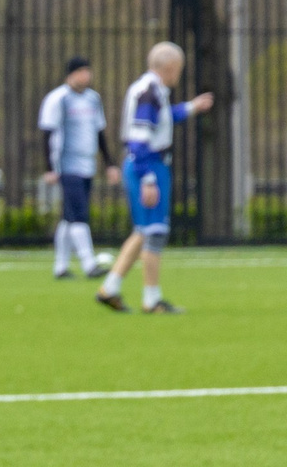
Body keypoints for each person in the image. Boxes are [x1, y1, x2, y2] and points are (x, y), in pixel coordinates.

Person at [97, 42, 213, 316]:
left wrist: (191, 108)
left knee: (142, 232)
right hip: (147, 165)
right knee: (154, 233)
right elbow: (139, 139)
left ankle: (109, 288)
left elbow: (162, 121)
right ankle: (152, 299)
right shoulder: (149, 93)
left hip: (143, 164)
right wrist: (148, 178)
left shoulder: (150, 90)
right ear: (171, 68)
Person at [37, 56, 112, 281]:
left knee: (68, 218)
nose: (86, 76)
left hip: (87, 164)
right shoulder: (57, 99)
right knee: (79, 214)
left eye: (87, 71)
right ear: (70, 74)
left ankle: (60, 267)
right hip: (65, 165)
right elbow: (47, 134)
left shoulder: (93, 99)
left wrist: (110, 163)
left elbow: (100, 132)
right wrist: (49, 168)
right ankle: (89, 264)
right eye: (81, 71)